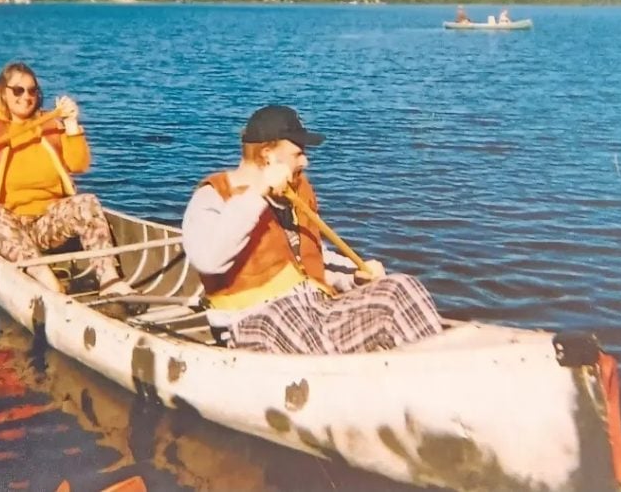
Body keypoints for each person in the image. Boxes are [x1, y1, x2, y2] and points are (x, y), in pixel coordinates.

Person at [181, 105, 442, 354]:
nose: (305, 162)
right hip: (255, 321)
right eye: (298, 153)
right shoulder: (211, 197)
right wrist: (258, 191)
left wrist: (352, 278)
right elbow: (207, 259)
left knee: (399, 287)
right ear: (267, 155)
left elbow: (310, 260)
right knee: (291, 317)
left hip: (314, 308)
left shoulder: (292, 193)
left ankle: (438, 373)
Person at [0, 62, 133, 296]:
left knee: (86, 202)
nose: (26, 96)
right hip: (9, 224)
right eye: (18, 90)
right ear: (3, 92)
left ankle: (109, 279)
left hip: (46, 224)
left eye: (32, 90)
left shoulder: (49, 125)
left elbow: (79, 164)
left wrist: (72, 123)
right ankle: (48, 282)